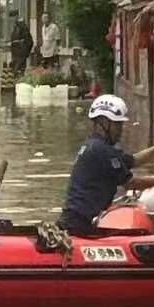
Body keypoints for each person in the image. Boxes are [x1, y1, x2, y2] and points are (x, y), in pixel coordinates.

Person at [58, 95, 134, 235]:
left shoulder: (95, 145)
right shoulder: (101, 150)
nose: (120, 130)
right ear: (103, 123)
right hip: (79, 223)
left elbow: (132, 161)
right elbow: (131, 183)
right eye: (117, 125)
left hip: (77, 220)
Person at [8, 10, 34, 76]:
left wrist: (25, 52)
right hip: (15, 53)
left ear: (16, 17)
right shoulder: (15, 27)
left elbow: (29, 41)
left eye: (12, 18)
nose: (11, 21)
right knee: (16, 72)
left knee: (18, 71)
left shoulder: (22, 27)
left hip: (21, 53)